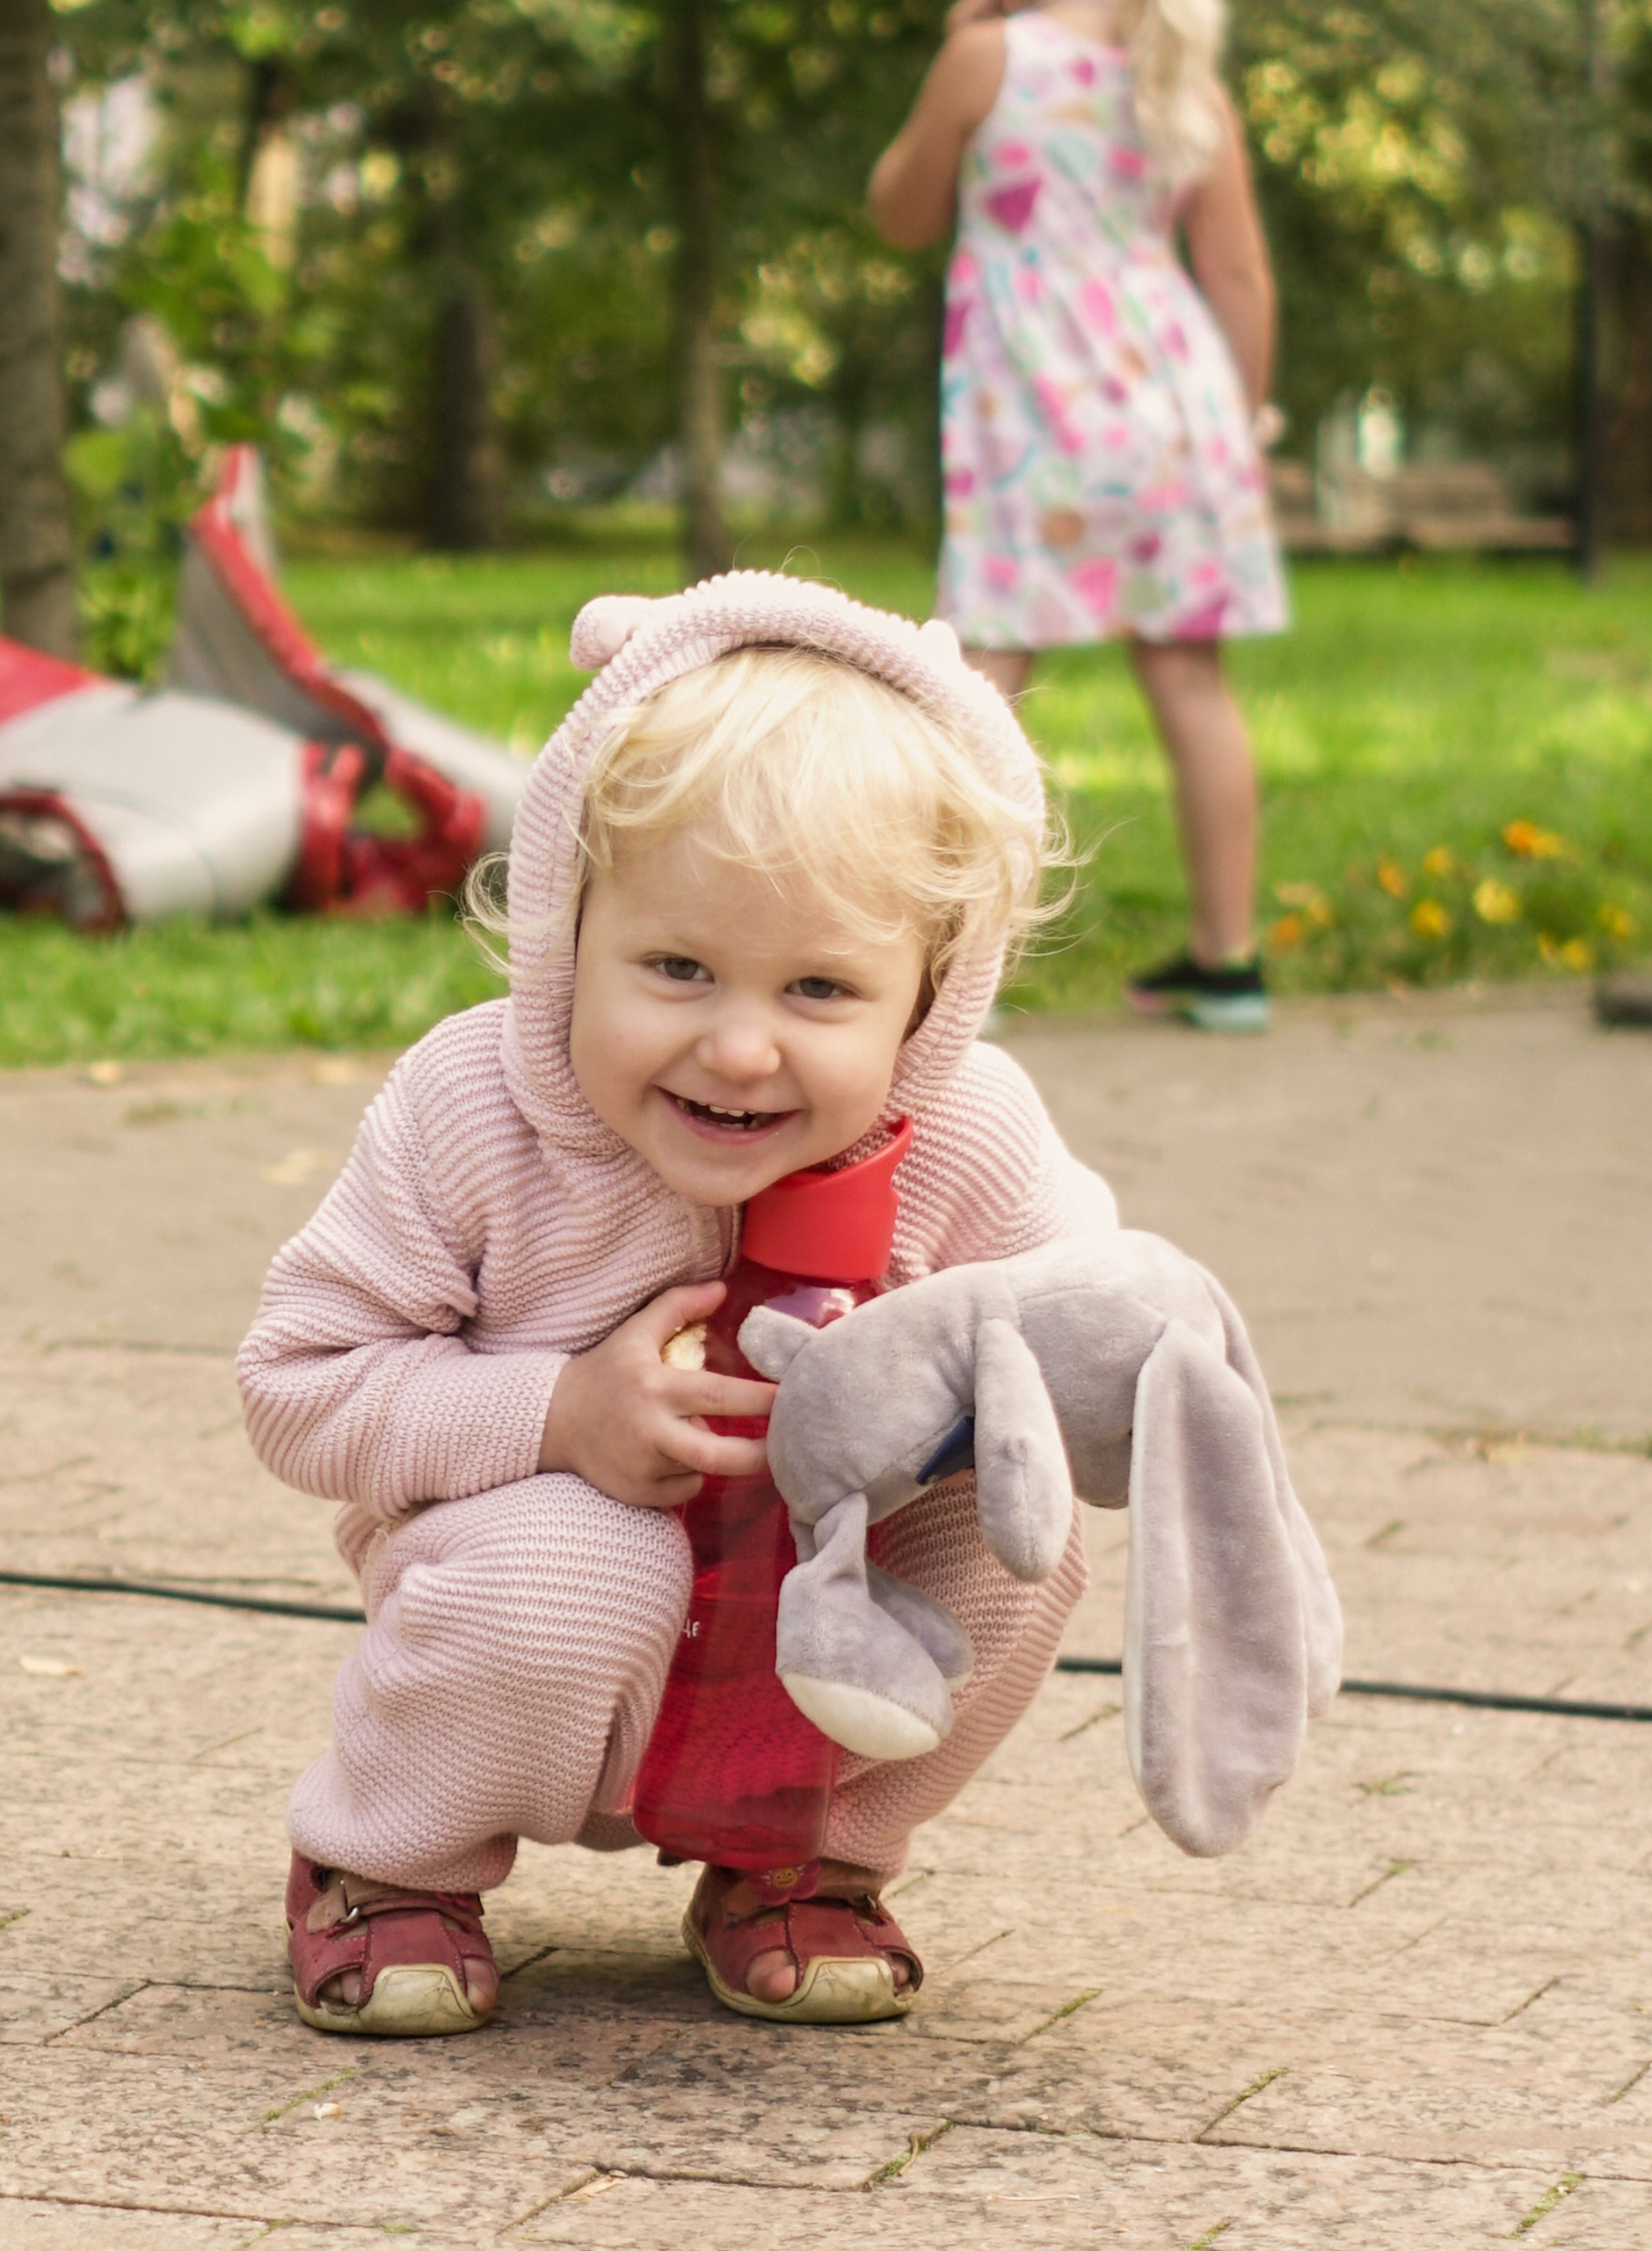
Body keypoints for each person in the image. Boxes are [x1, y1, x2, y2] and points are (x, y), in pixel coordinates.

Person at [237, 573, 1128, 2035]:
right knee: (572, 1569)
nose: (737, 1044)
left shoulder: (970, 1129)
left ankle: (804, 1866)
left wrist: (1045, 1392)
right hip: (547, 1553)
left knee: (1015, 1548)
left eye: (822, 990)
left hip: (827, 1572)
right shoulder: (474, 1108)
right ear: (563, 924)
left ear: (931, 995)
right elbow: (294, 1383)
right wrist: (559, 1408)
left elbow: (1092, 1333)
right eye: (675, 966)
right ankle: (383, 1863)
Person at [869, 0, 1284, 1031]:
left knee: (986, 677)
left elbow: (901, 215)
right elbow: (1237, 275)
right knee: (1190, 676)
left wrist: (953, 56)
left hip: (1034, 404)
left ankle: (957, 972)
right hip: (1173, 404)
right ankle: (1227, 961)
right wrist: (1242, 428)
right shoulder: (1184, 76)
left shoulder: (987, 58)